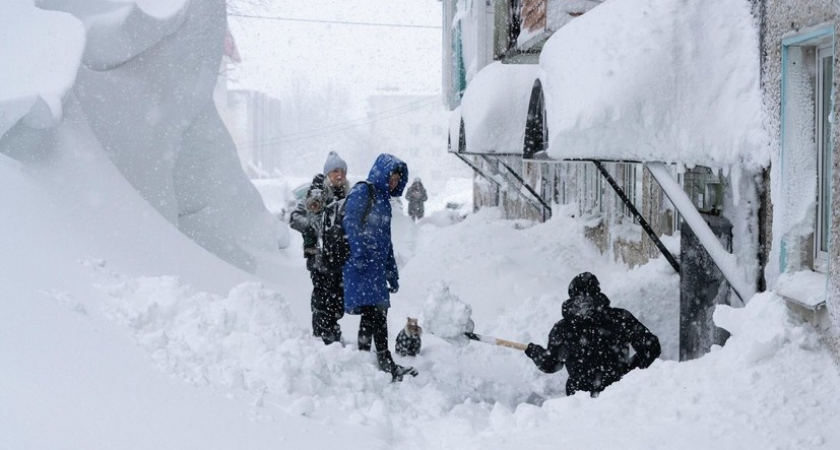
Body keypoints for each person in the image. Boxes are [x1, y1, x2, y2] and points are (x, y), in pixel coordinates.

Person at [343, 153, 418, 381]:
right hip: (361, 266)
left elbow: (386, 241)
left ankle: (369, 362)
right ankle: (383, 364)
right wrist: (358, 255)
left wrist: (391, 272)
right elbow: (350, 223)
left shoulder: (384, 201)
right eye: (391, 177)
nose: (394, 182)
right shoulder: (363, 191)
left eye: (397, 179)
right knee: (376, 314)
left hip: (374, 268)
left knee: (374, 314)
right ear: (381, 173)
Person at [525, 272, 660, 397]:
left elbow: (551, 364)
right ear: (597, 291)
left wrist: (535, 352)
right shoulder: (620, 318)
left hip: (580, 400)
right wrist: (630, 371)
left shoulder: (563, 328)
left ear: (571, 295)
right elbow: (651, 347)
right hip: (619, 393)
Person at [289, 151, 351, 345]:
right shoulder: (316, 193)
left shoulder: (348, 196)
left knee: (338, 298)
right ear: (327, 175)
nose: (339, 175)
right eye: (335, 171)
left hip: (339, 258)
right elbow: (294, 218)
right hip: (318, 257)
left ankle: (332, 330)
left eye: (342, 171)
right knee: (322, 296)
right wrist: (315, 227)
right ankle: (322, 334)